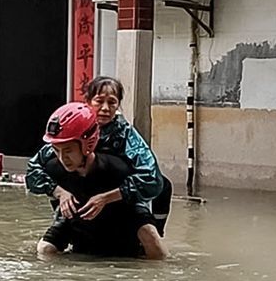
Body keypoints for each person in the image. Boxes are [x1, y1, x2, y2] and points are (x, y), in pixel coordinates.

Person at [27, 76, 172, 236]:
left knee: (163, 190)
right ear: (88, 102)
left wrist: (108, 197)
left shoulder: (124, 134)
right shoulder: (72, 129)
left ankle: (156, 229)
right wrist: (58, 191)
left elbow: (151, 178)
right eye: (99, 101)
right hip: (77, 195)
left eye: (112, 102)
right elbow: (33, 171)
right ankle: (63, 219)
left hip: (119, 197)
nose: (105, 108)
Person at [34, 102, 167, 261]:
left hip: (123, 209)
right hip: (79, 209)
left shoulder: (120, 161)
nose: (62, 158)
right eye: (57, 151)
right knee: (45, 249)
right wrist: (59, 192)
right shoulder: (52, 161)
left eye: (68, 151)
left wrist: (106, 197)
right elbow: (32, 175)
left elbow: (155, 183)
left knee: (151, 240)